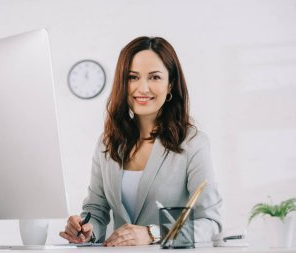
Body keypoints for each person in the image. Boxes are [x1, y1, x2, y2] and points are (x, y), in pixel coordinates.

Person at [59, 36, 222, 246]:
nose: (142, 88)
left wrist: (152, 233)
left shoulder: (193, 143)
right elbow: (96, 211)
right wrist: (86, 229)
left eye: (154, 77)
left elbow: (210, 222)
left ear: (170, 84)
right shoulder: (107, 143)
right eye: (132, 77)